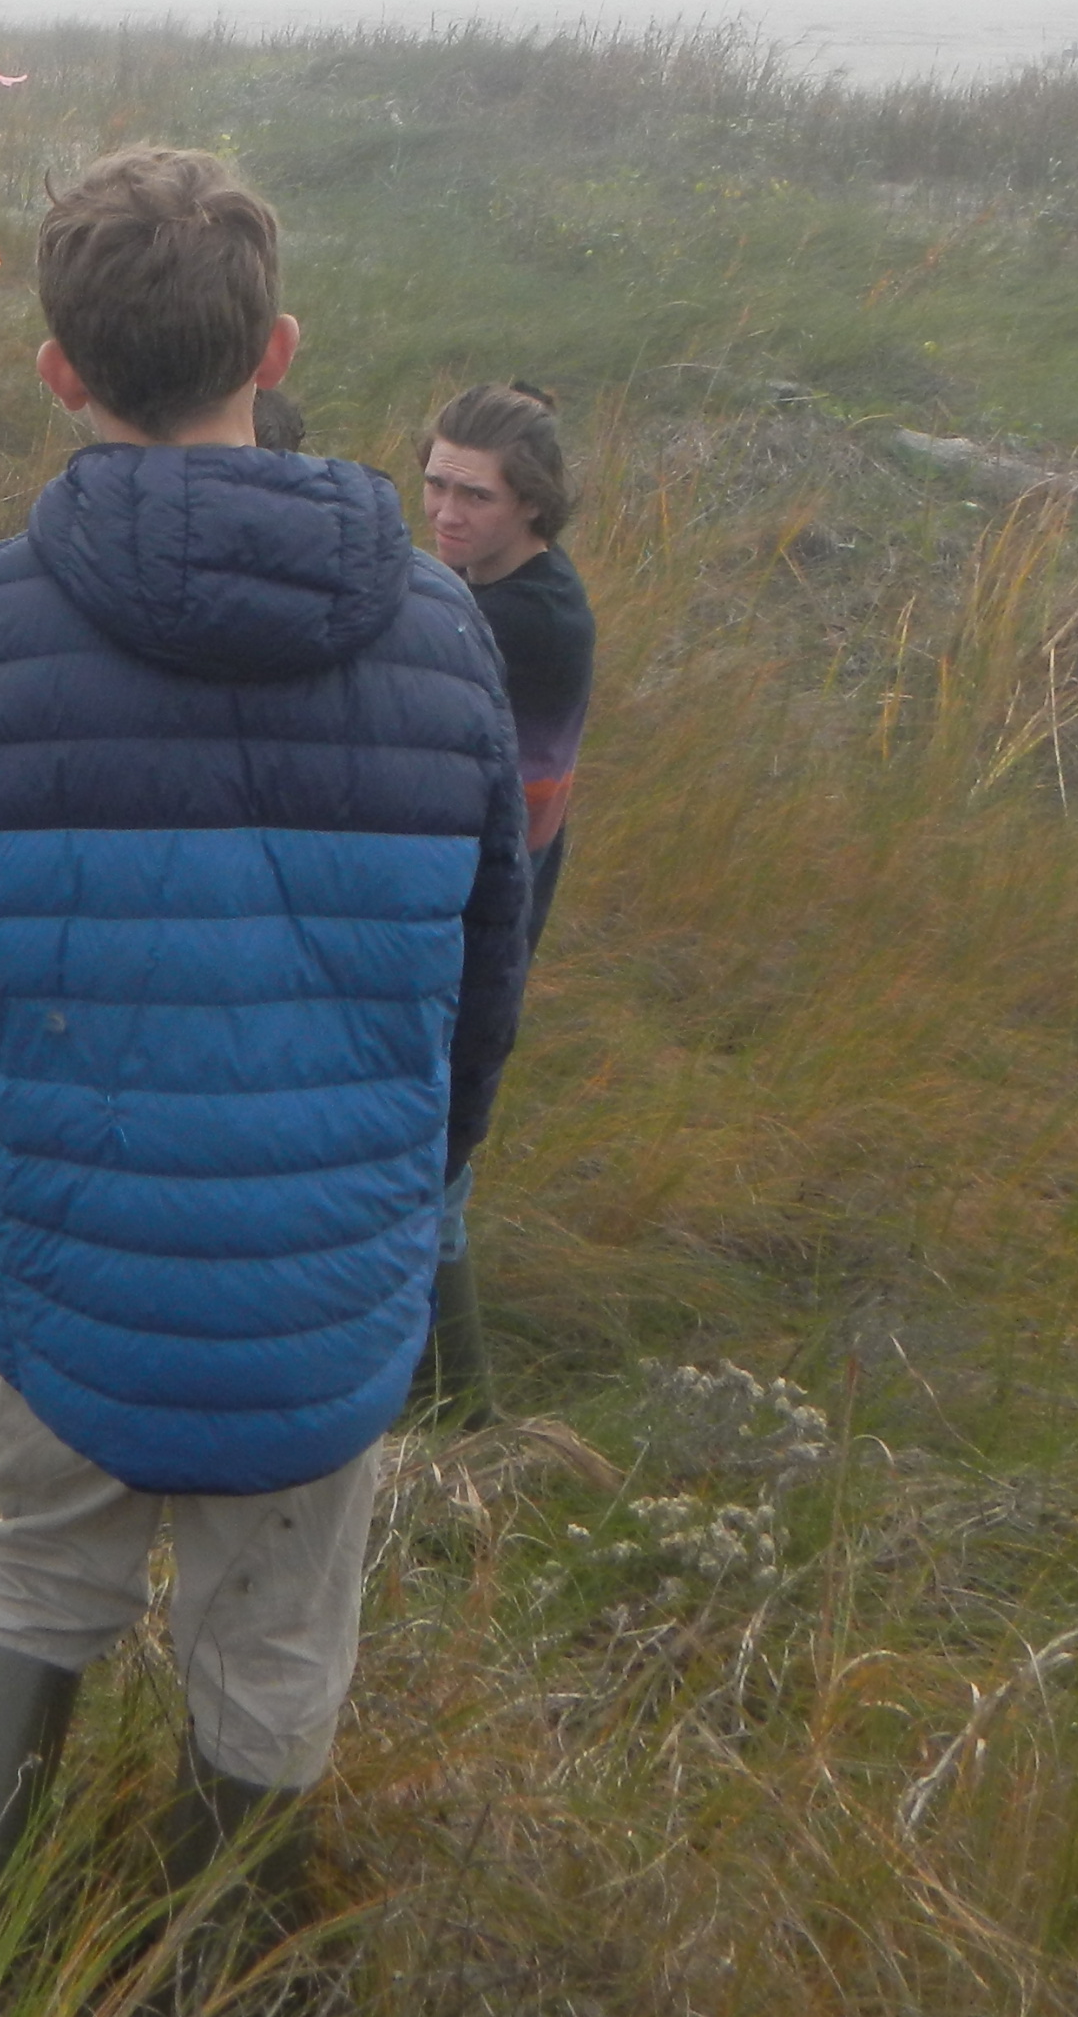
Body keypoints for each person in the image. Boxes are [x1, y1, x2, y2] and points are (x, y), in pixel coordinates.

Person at [0, 148, 525, 2012]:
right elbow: (486, 1001)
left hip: (72, 1272)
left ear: (60, 371)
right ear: (276, 347)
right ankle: (212, 1972)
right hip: (330, 1287)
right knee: (276, 1648)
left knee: (38, 1581)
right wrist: (395, 1193)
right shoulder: (450, 631)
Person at [410, 381, 595, 1421]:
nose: (443, 512)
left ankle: (458, 1421)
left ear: (531, 502)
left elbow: (489, 826)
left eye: (472, 495)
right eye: (434, 484)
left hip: (479, 932)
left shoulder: (524, 623)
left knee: (434, 1188)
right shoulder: (491, 593)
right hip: (475, 918)